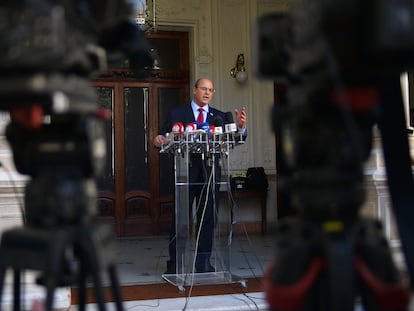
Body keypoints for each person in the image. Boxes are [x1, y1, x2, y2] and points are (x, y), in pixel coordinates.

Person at [154, 77, 247, 273]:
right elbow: (161, 137)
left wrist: (239, 128)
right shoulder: (178, 113)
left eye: (211, 90)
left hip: (211, 171)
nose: (207, 93)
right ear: (194, 90)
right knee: (180, 219)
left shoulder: (219, 116)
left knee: (207, 219)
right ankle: (175, 265)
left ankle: (203, 263)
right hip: (185, 173)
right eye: (203, 89)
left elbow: (234, 138)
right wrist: (159, 138)